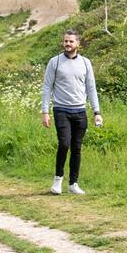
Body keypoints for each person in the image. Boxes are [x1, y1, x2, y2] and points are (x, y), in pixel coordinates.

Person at [41, 30, 102, 195]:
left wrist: (97, 112)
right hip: (61, 109)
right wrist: (44, 111)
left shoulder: (85, 63)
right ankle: (58, 179)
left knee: (76, 147)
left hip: (80, 111)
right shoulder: (55, 62)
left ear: (78, 44)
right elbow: (47, 87)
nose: (67, 44)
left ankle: (73, 183)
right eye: (65, 41)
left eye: (71, 41)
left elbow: (91, 88)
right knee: (64, 143)